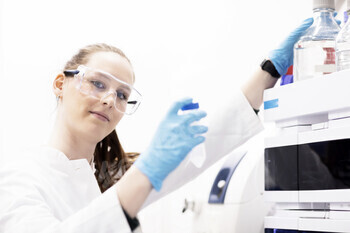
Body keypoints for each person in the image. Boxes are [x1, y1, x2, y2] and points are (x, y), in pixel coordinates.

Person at [0, 17, 313, 232]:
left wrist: (269, 70)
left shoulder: (108, 176)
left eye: (122, 94)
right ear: (60, 84)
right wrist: (146, 172)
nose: (110, 99)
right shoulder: (19, 179)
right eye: (97, 83)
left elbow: (199, 149)